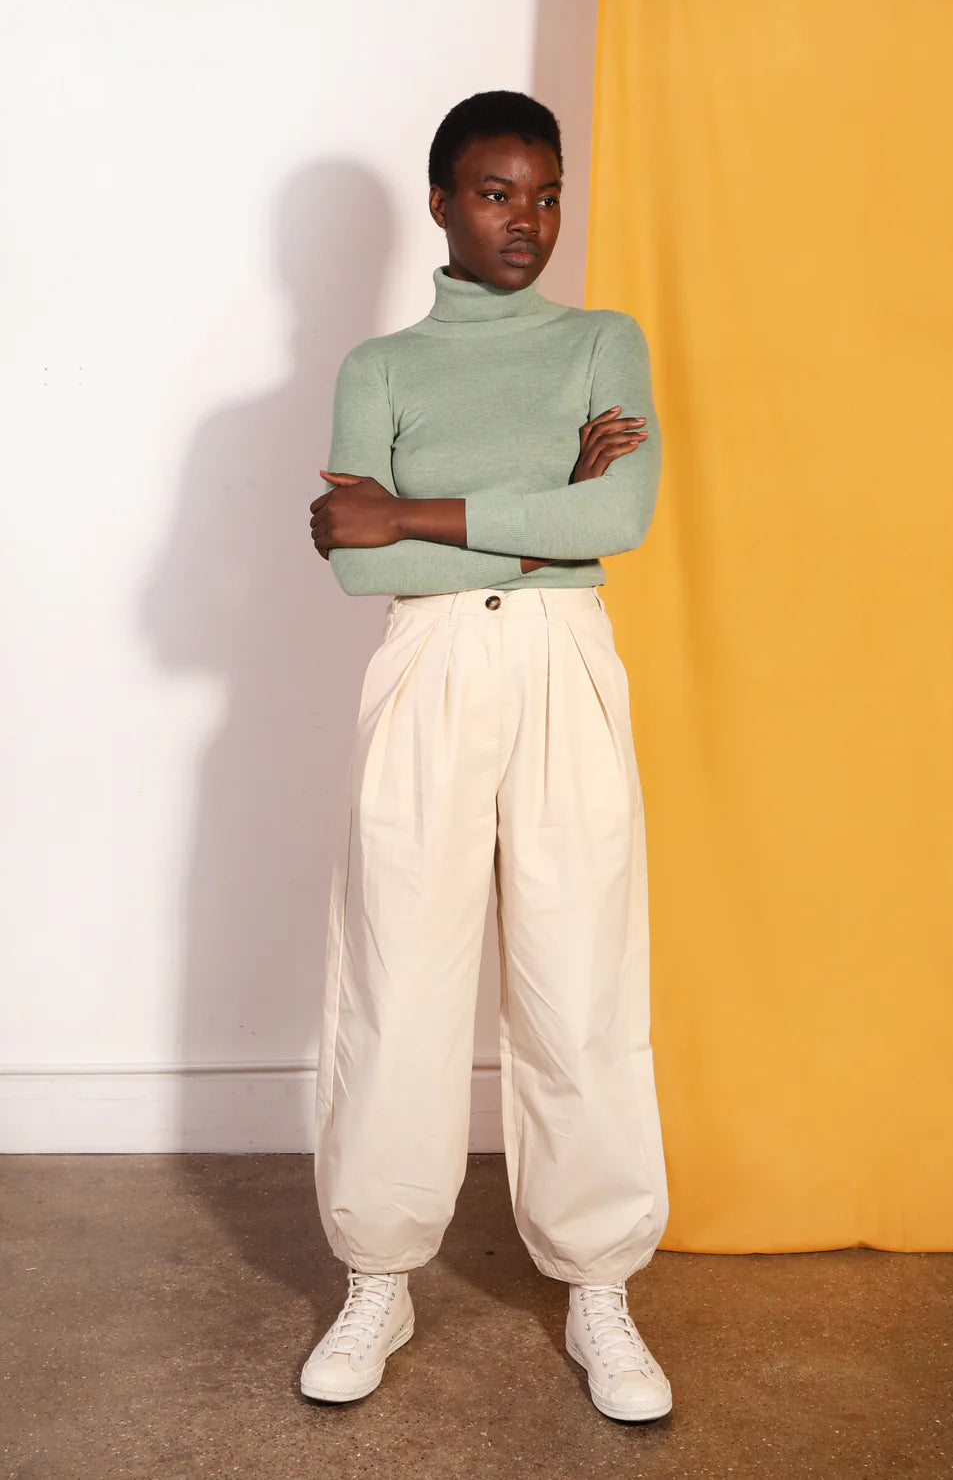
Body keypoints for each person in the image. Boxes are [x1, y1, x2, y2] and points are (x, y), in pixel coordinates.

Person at [302, 90, 671, 1424]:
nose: (529, 220)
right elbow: (357, 564)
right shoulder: (380, 366)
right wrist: (540, 510)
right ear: (443, 203)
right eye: (498, 193)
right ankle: (378, 1275)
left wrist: (414, 510)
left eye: (547, 193)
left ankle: (599, 1285)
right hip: (429, 667)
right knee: (400, 976)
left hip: (567, 664)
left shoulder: (602, 341)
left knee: (580, 980)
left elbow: (619, 516)